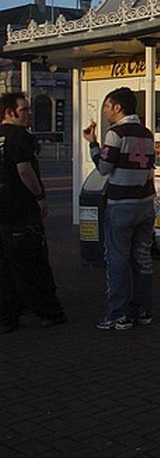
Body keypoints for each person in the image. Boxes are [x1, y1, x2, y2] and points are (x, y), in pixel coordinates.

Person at [83, 87, 156, 331]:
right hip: (145, 204)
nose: (104, 112)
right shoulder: (147, 133)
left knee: (117, 260)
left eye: (106, 107)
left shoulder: (115, 134)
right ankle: (143, 310)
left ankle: (118, 315)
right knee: (142, 259)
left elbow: (104, 168)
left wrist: (93, 144)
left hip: (121, 205)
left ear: (117, 108)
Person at [0, 92, 65, 333]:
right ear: (10, 112)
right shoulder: (19, 137)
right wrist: (39, 196)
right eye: (24, 109)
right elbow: (24, 170)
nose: (29, 114)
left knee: (5, 267)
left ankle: (8, 317)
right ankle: (48, 312)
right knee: (32, 264)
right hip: (21, 210)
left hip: (2, 212)